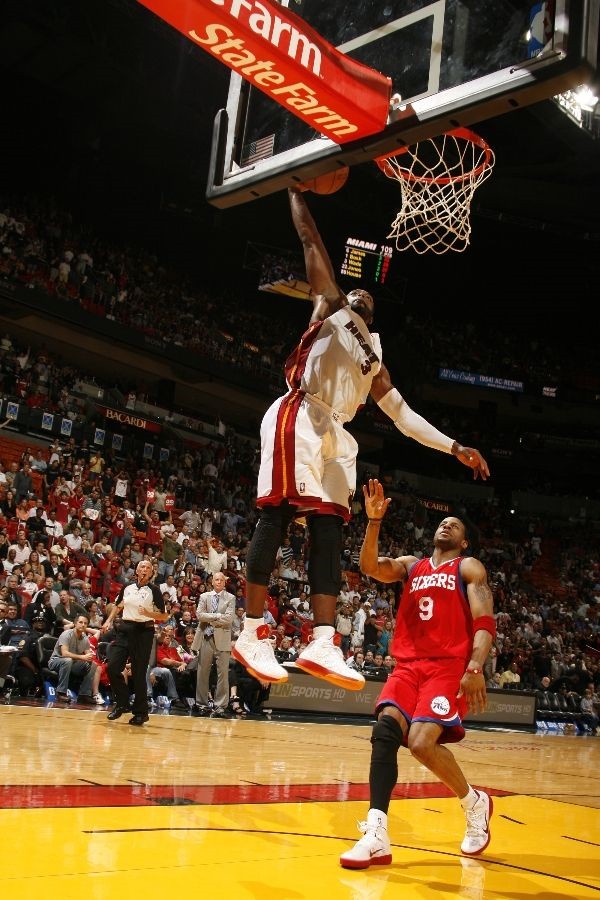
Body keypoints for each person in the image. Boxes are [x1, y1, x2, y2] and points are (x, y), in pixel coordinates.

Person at [233, 187, 489, 690]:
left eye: (369, 299)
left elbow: (405, 417)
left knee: (329, 530)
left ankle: (323, 639)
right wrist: (295, 192)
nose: (362, 296)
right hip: (300, 412)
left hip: (336, 433)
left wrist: (454, 446)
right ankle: (251, 631)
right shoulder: (329, 308)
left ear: (375, 315)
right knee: (280, 513)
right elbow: (310, 242)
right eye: (358, 293)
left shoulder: (373, 359)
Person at [339, 479, 496, 869]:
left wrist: (475, 666)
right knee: (386, 730)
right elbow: (371, 567)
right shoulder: (412, 566)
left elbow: (484, 621)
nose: (446, 526)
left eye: (454, 525)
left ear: (464, 543)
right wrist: (373, 523)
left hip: (447, 668)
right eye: (442, 522)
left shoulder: (468, 567)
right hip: (408, 665)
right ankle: (377, 833)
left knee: (423, 743)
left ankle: (474, 803)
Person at [101, 559, 170, 726]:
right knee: (112, 667)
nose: (145, 569)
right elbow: (118, 606)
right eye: (142, 567)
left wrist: (148, 612)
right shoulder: (128, 587)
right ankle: (123, 702)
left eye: (148, 567)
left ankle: (141, 713)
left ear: (152, 572)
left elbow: (164, 615)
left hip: (143, 632)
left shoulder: (154, 590)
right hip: (125, 629)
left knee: (139, 673)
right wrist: (109, 621)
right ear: (137, 571)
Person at [191, 571, 235, 718]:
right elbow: (199, 615)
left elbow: (229, 619)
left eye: (221, 580)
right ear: (212, 582)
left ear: (224, 582)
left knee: (223, 674)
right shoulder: (204, 597)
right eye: (216, 579)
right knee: (202, 672)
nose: (218, 582)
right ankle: (201, 704)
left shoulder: (231, 598)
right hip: (206, 637)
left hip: (222, 639)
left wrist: (209, 618)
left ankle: (220, 706)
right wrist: (217, 616)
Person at [47, 613, 98, 703]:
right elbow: (64, 653)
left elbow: (88, 655)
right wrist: (82, 657)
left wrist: (89, 657)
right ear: (75, 623)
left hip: (73, 663)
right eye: (80, 622)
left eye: (85, 623)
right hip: (56, 661)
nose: (83, 625)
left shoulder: (85, 639)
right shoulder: (66, 634)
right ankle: (61, 693)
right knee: (67, 660)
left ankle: (84, 695)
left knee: (93, 664)